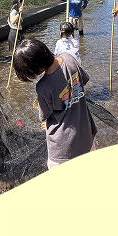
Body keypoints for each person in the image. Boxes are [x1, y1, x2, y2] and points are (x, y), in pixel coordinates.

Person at [12, 38, 98, 168]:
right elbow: (84, 80)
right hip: (85, 136)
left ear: (38, 69)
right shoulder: (68, 59)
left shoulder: (43, 86)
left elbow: (44, 115)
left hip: (62, 149)